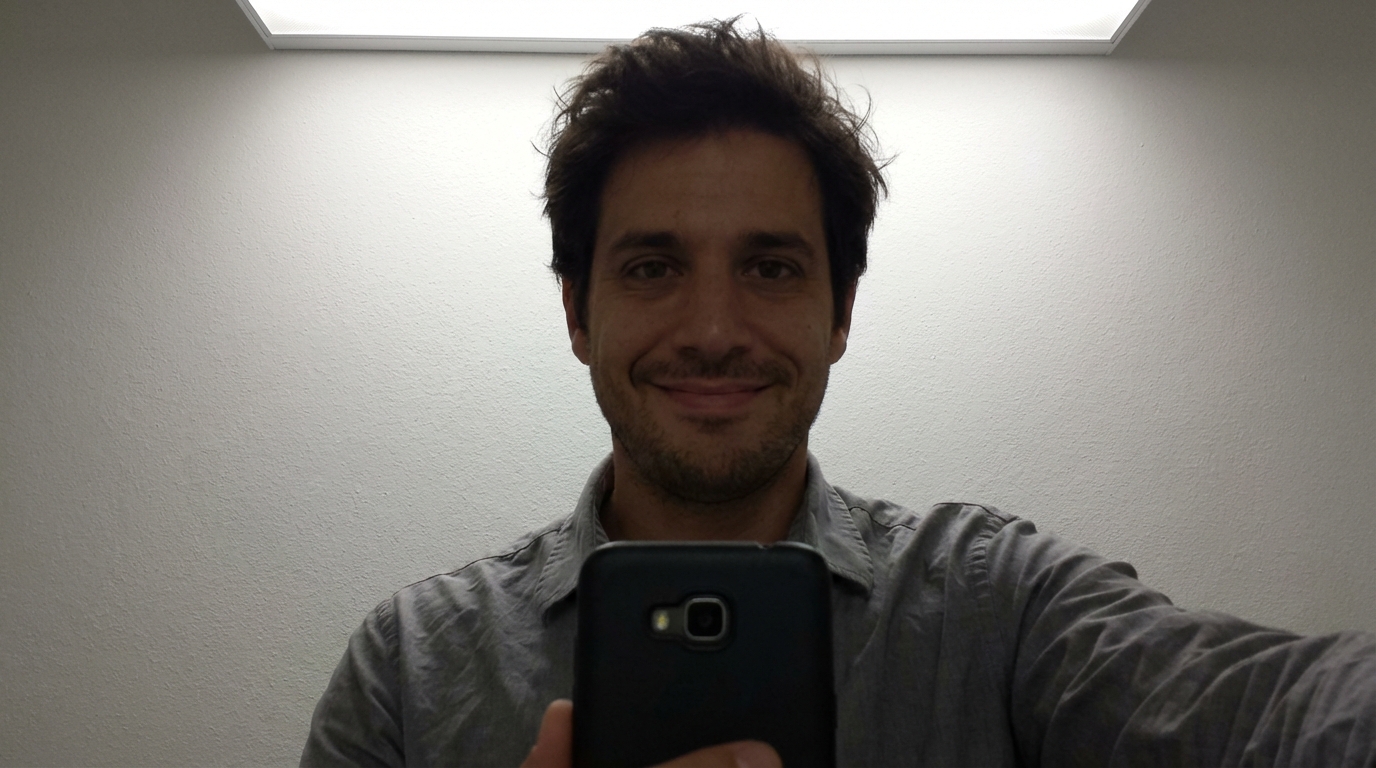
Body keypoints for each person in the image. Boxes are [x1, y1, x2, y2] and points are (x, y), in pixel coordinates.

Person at [301, 19, 1376, 768]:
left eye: (769, 267)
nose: (713, 330)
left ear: (839, 312)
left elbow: (1271, 714)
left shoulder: (999, 607)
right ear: (577, 314)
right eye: (650, 266)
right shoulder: (409, 664)